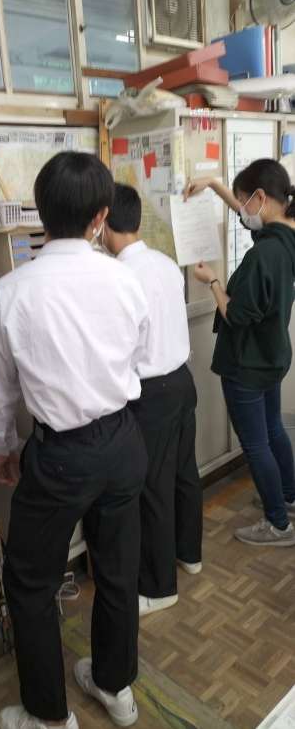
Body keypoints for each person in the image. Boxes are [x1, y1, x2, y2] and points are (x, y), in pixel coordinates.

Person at [0, 152, 149, 729]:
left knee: (30, 581)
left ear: (39, 211)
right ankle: (115, 686)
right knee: (119, 569)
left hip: (60, 456)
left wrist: (3, 448)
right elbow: (137, 356)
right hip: (122, 441)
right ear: (100, 217)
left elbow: (0, 389)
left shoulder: (7, 292)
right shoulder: (125, 280)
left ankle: (49, 717)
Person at [103, 182, 202, 618]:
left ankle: (160, 588)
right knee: (184, 473)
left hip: (151, 395)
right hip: (182, 381)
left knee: (153, 489)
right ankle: (189, 554)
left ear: (103, 224)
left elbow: (120, 346)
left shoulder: (118, 277)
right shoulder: (164, 263)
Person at [184, 159, 295, 547]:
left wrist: (212, 280)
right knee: (273, 430)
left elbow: (236, 314)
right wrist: (215, 185)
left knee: (256, 444)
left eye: (246, 200)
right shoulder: (286, 235)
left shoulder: (264, 255)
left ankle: (278, 523)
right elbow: (251, 216)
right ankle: (289, 498)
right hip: (272, 356)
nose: (243, 210)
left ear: (261, 198)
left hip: (247, 363)